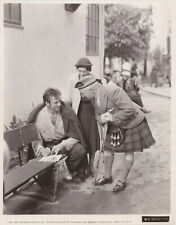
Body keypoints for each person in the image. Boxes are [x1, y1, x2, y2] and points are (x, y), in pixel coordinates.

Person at [75, 76, 156, 193]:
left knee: (129, 152)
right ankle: (107, 177)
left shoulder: (113, 91)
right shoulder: (93, 98)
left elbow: (129, 109)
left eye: (83, 94)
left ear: (91, 90)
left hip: (132, 123)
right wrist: (101, 119)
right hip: (115, 124)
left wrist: (112, 117)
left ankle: (122, 181)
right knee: (107, 150)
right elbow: (98, 115)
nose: (83, 96)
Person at [30, 88, 87, 182]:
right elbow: (36, 140)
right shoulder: (40, 117)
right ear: (47, 103)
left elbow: (76, 135)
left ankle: (68, 168)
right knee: (45, 180)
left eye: (60, 101)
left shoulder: (65, 112)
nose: (60, 104)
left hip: (65, 144)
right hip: (49, 147)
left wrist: (62, 145)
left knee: (80, 150)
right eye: (56, 102)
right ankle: (58, 170)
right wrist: (42, 149)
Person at [67, 57, 100, 176]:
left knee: (91, 140)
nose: (81, 73)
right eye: (79, 71)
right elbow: (70, 98)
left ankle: (91, 167)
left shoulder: (93, 79)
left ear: (89, 70)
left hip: (90, 113)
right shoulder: (72, 79)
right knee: (81, 139)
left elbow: (98, 96)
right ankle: (82, 168)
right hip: (78, 112)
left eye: (84, 71)